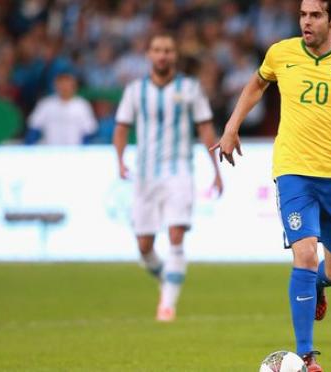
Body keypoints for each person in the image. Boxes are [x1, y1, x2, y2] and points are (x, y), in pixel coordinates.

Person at [211, 1, 331, 370]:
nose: (306, 22)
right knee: (305, 254)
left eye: (315, 16)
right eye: (303, 15)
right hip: (294, 171)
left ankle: (319, 285)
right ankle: (307, 357)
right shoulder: (281, 52)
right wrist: (231, 128)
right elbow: (256, 85)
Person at [113, 32, 223, 322]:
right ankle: (168, 279)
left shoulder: (190, 88)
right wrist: (120, 160)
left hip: (179, 173)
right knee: (144, 247)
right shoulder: (135, 91)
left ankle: (167, 306)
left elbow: (206, 129)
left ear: (175, 56)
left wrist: (216, 170)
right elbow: (122, 127)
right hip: (145, 175)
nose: (163, 55)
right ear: (149, 54)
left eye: (168, 51)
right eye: (158, 50)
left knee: (176, 235)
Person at [25, 71, 97, 145]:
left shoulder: (82, 105)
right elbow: (34, 128)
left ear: (74, 86)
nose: (64, 88)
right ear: (55, 86)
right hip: (49, 152)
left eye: (67, 85)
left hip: (75, 152)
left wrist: (82, 152)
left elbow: (89, 131)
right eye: (61, 85)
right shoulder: (46, 104)